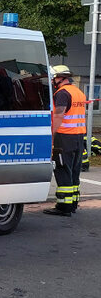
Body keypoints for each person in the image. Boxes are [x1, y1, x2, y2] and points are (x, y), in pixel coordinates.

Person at [46, 64, 86, 216]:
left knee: (63, 170)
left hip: (65, 136)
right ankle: (73, 204)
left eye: (54, 78)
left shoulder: (62, 93)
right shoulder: (78, 92)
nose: (53, 81)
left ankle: (64, 207)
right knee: (74, 171)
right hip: (78, 136)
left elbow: (58, 115)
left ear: (60, 78)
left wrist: (51, 135)